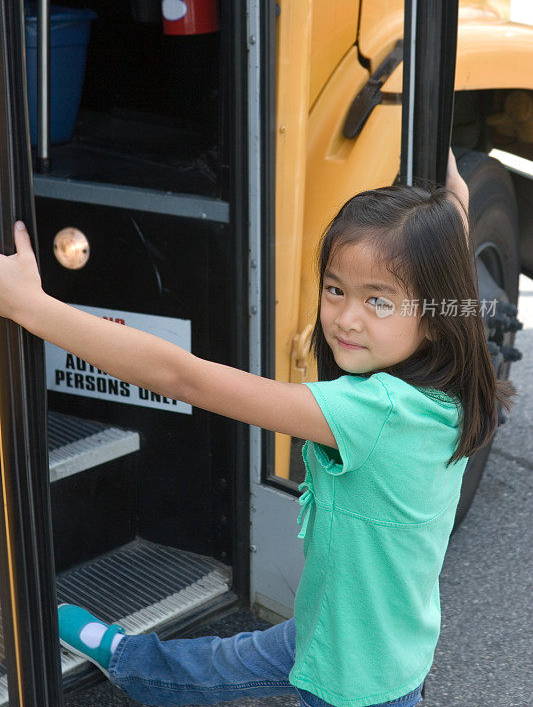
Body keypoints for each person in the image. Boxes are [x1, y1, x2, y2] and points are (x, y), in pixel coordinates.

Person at [0, 150, 515, 707]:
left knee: (228, 665)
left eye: (378, 302)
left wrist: (34, 308)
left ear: (436, 315)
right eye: (336, 289)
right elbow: (453, 245)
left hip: (357, 684)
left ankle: (129, 661)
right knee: (219, 664)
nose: (346, 317)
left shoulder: (373, 413)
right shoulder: (451, 379)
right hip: (347, 631)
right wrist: (455, 195)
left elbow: (183, 377)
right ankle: (128, 659)